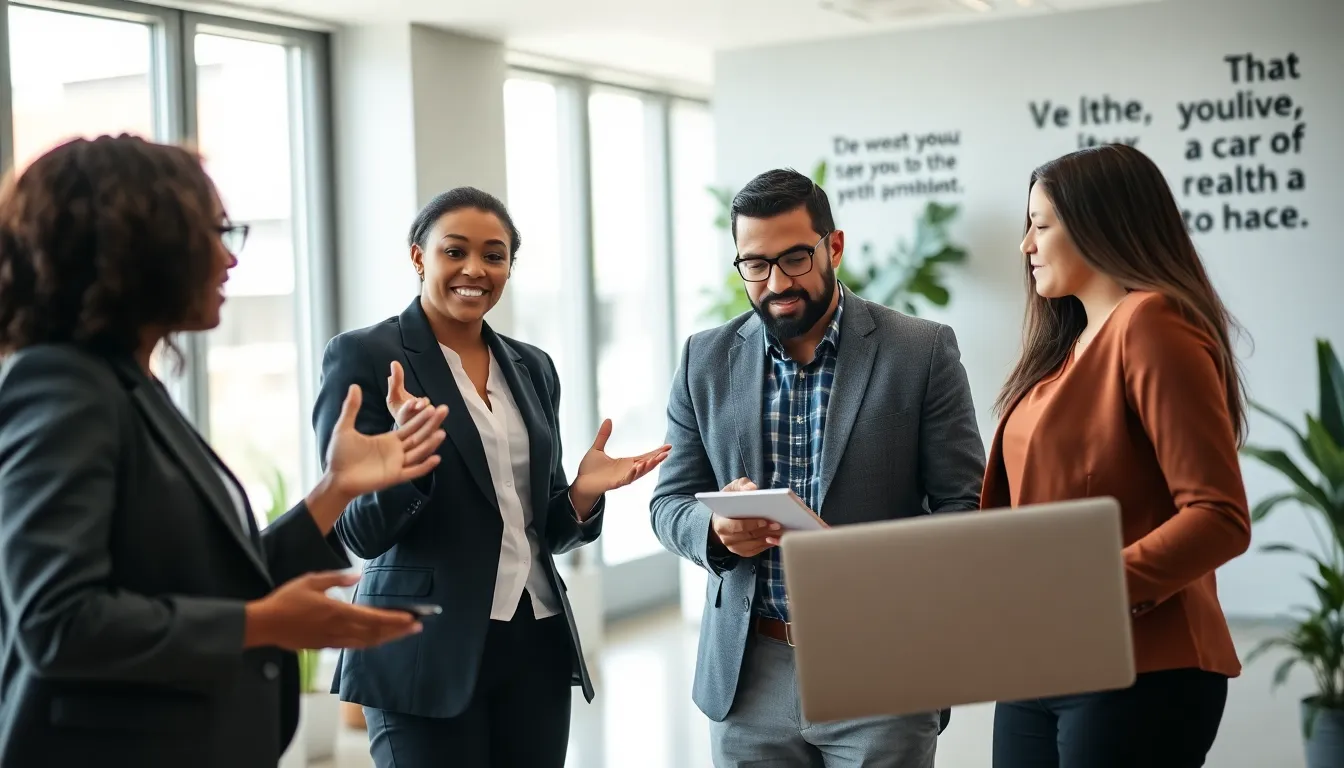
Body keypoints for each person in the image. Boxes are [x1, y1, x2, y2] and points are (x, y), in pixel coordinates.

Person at [0, 135, 450, 768]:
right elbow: (58, 621)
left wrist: (333, 493)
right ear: (139, 248)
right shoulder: (63, 386)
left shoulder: (127, 386)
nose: (228, 259)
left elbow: (203, 581)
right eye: (214, 232)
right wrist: (261, 624)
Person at [313, 186, 671, 767]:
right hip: (422, 650)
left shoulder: (532, 366)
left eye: (494, 255)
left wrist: (580, 494)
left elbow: (543, 529)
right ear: (417, 257)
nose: (474, 269)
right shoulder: (365, 356)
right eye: (454, 252)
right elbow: (357, 533)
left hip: (534, 641)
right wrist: (406, 461)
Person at [649, 168, 986, 767]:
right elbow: (668, 503)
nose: (777, 282)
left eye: (795, 258)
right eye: (755, 264)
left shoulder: (922, 350)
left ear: (833, 247)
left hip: (882, 663)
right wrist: (714, 533)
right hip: (749, 674)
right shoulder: (704, 358)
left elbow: (966, 507)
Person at [983, 144, 1252, 768]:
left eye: (1040, 225)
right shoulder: (1066, 347)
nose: (1026, 245)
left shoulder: (1150, 322)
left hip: (1139, 662)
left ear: (1099, 225)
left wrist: (1092, 586)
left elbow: (1219, 515)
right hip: (1039, 658)